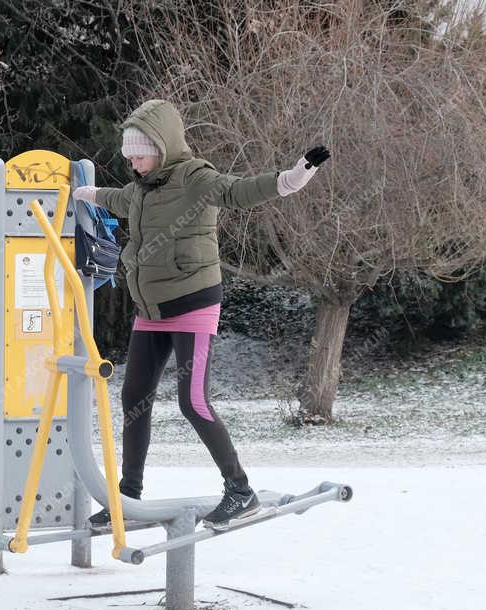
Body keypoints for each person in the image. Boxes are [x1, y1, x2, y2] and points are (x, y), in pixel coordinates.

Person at [72, 100, 329, 530]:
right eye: (129, 156)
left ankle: (240, 490)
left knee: (192, 402)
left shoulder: (195, 178)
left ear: (162, 146)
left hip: (192, 304)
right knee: (133, 398)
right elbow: (116, 199)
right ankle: (129, 498)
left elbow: (240, 191)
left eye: (139, 153)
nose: (132, 162)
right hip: (150, 310)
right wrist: (85, 193)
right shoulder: (140, 188)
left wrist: (294, 177)